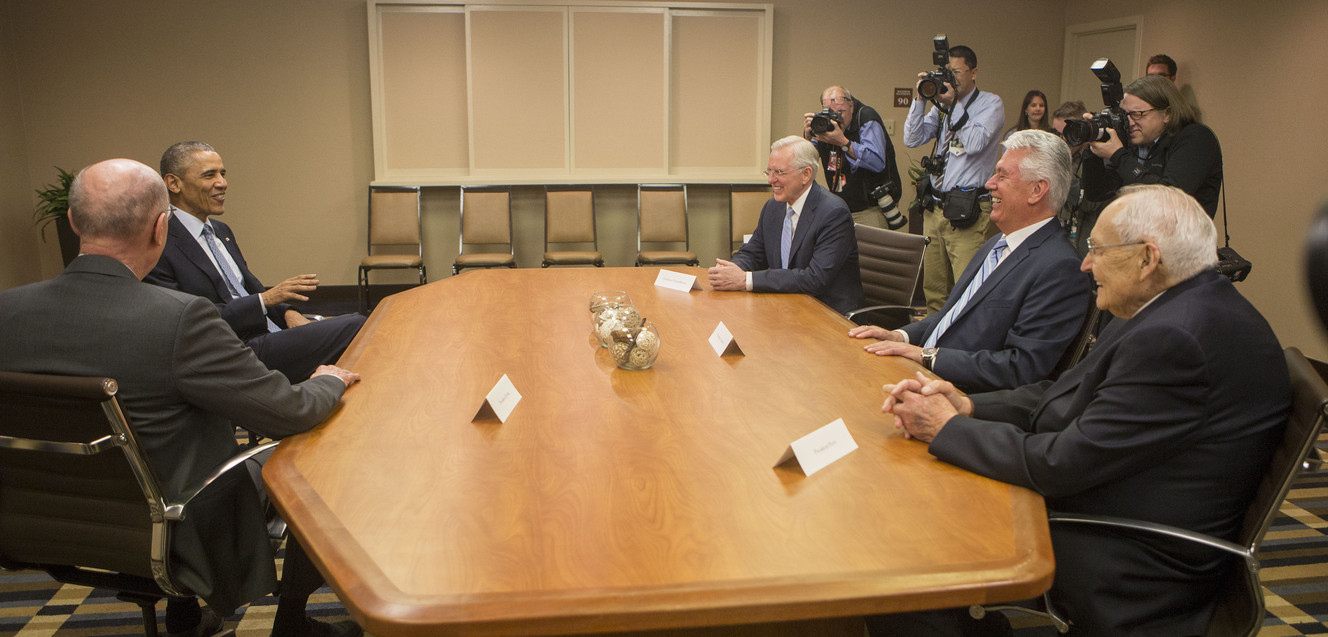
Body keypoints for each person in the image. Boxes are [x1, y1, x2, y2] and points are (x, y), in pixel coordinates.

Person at [870, 185, 1290, 636]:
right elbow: (1067, 392)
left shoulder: (1177, 338)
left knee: (907, 565)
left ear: (1148, 258)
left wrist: (946, 427)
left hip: (1130, 553)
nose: (1086, 264)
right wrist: (969, 404)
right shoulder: (1173, 306)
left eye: (1097, 250)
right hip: (1113, 500)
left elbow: (1060, 465)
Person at [0, 159, 365, 637]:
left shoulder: (7, 311)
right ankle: (292, 622)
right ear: (160, 226)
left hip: (35, 523)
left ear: (73, 222)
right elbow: (292, 411)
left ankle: (189, 613)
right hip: (176, 524)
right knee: (313, 455)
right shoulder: (180, 319)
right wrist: (328, 379)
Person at [847, 130, 1090, 392]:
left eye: (1002, 175)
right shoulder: (996, 244)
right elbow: (953, 316)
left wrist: (925, 356)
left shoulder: (1061, 268)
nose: (989, 183)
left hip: (957, 396)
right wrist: (900, 336)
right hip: (923, 374)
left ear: (1037, 190)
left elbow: (1021, 368)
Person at [145, 142, 365, 382]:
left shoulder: (220, 231)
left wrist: (289, 312)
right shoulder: (161, 242)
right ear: (173, 183)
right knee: (356, 325)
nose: (222, 183)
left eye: (223, 173)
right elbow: (187, 321)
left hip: (266, 331)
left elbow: (250, 289)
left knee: (366, 328)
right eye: (210, 175)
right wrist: (266, 299)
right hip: (235, 350)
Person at [709, 136, 865, 314]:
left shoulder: (833, 213)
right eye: (769, 171)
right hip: (786, 306)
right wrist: (732, 270)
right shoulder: (773, 207)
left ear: (806, 174)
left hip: (827, 313)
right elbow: (753, 253)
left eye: (779, 172)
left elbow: (814, 279)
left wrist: (745, 279)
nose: (771, 180)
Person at [903, 44, 1005, 314]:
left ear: (974, 73)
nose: (953, 77)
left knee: (965, 287)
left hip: (968, 210)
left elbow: (974, 143)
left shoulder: (990, 104)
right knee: (934, 290)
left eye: (957, 71)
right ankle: (932, 343)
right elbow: (912, 139)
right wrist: (921, 99)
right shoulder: (942, 105)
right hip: (935, 208)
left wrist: (955, 106)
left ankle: (959, 347)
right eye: (948, 71)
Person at [1085, 75, 1223, 216]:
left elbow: (1168, 198)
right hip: (1138, 235)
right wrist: (1092, 149)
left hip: (1181, 236)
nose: (1130, 122)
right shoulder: (1136, 143)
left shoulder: (1196, 138)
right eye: (1125, 115)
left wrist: (1119, 156)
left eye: (1138, 114)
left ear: (1167, 114)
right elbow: (1097, 193)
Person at [803, 86, 905, 230]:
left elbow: (877, 162)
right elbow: (807, 163)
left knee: (869, 252)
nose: (837, 117)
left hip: (870, 209)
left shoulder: (866, 118)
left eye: (841, 112)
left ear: (851, 106)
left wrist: (843, 142)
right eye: (831, 112)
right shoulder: (825, 123)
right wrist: (807, 138)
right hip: (840, 207)